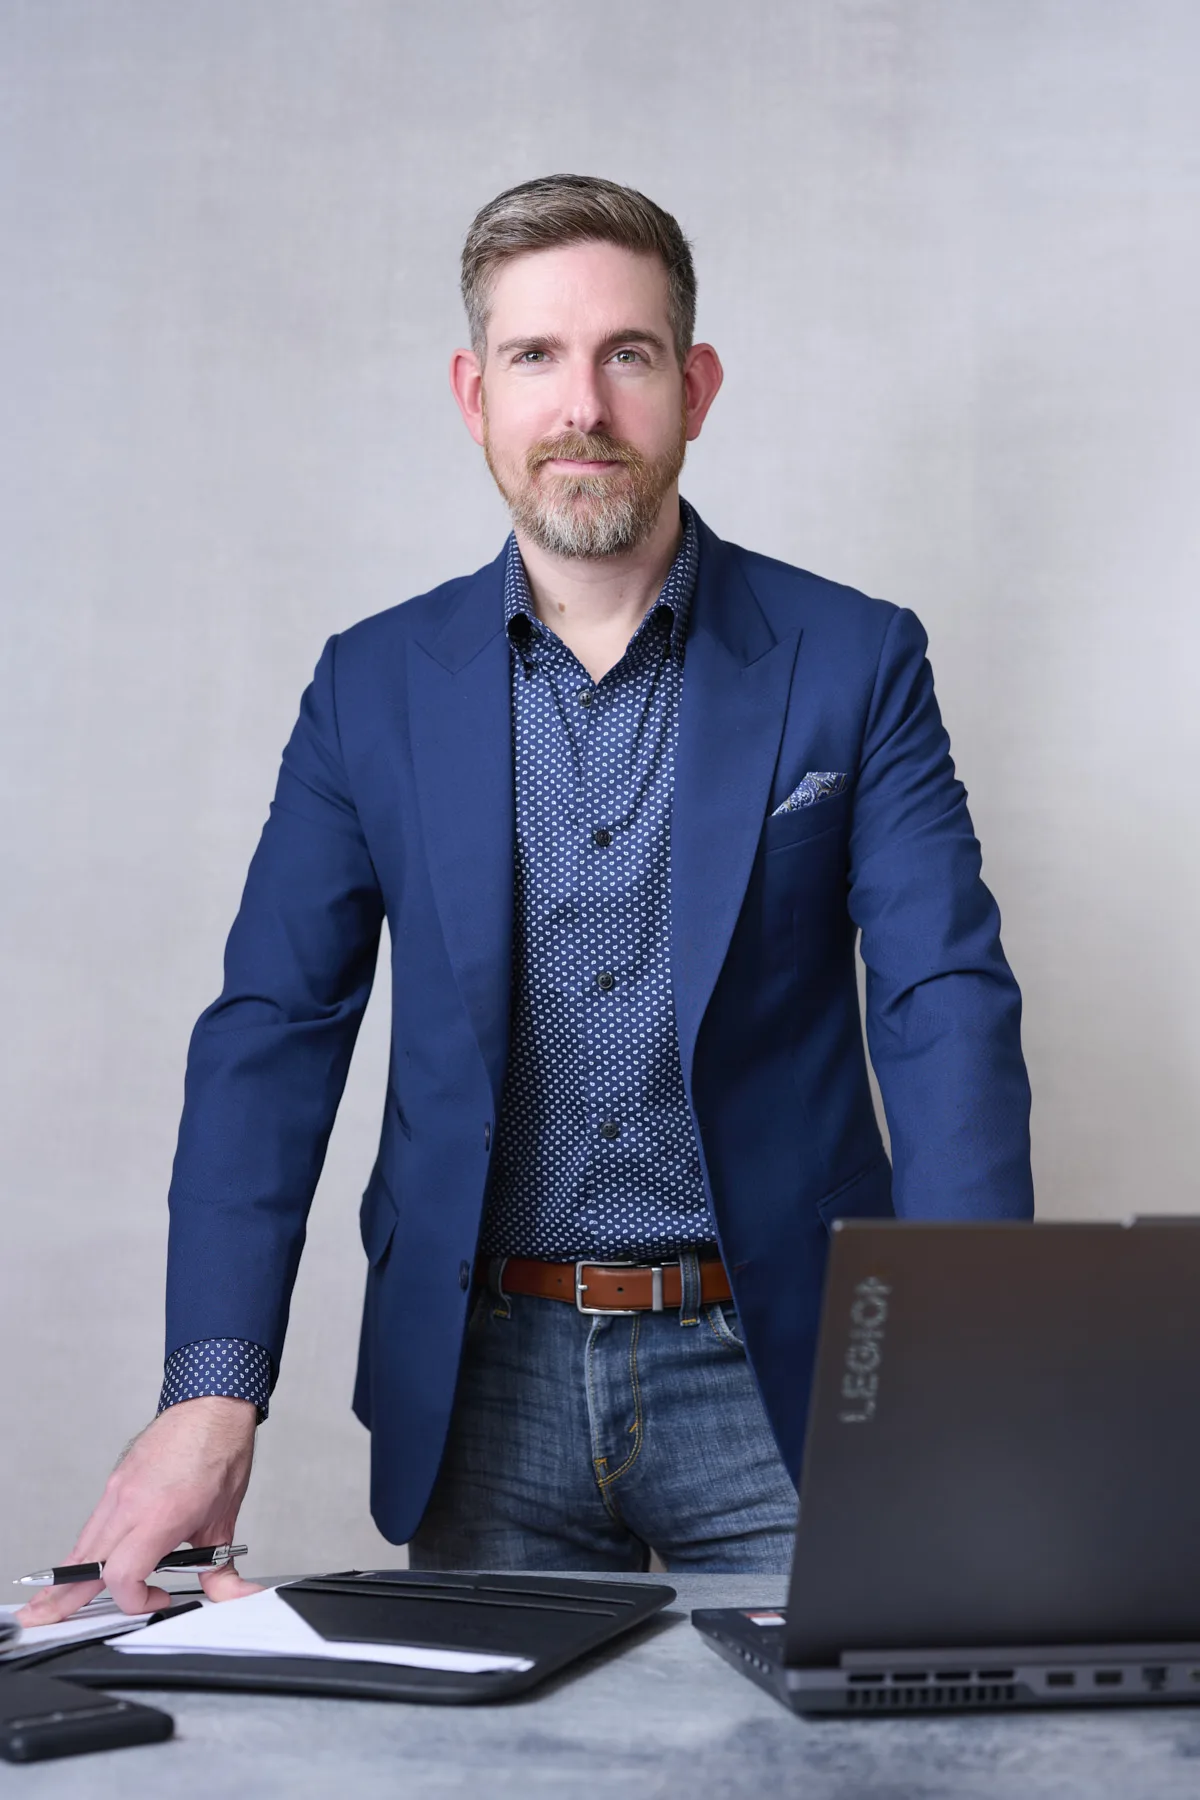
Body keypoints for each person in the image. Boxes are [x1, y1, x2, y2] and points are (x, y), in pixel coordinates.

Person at [22, 173, 1033, 1623]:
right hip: (484, 1385)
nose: (582, 407)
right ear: (472, 392)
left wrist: (967, 1353)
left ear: (694, 385)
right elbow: (272, 1031)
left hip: (788, 1373)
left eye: (626, 355)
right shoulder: (369, 686)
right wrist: (211, 1388)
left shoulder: (856, 659)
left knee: (857, 1766)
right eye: (534, 358)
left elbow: (943, 1002)